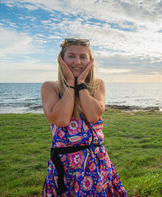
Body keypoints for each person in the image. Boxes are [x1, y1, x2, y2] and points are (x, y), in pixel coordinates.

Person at [41, 38, 127, 196]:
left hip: (96, 161)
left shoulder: (97, 85)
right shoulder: (50, 87)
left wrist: (81, 83)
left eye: (83, 57)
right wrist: (70, 83)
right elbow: (62, 119)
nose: (78, 62)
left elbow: (93, 116)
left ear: (90, 61)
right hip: (66, 166)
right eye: (71, 56)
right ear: (61, 59)